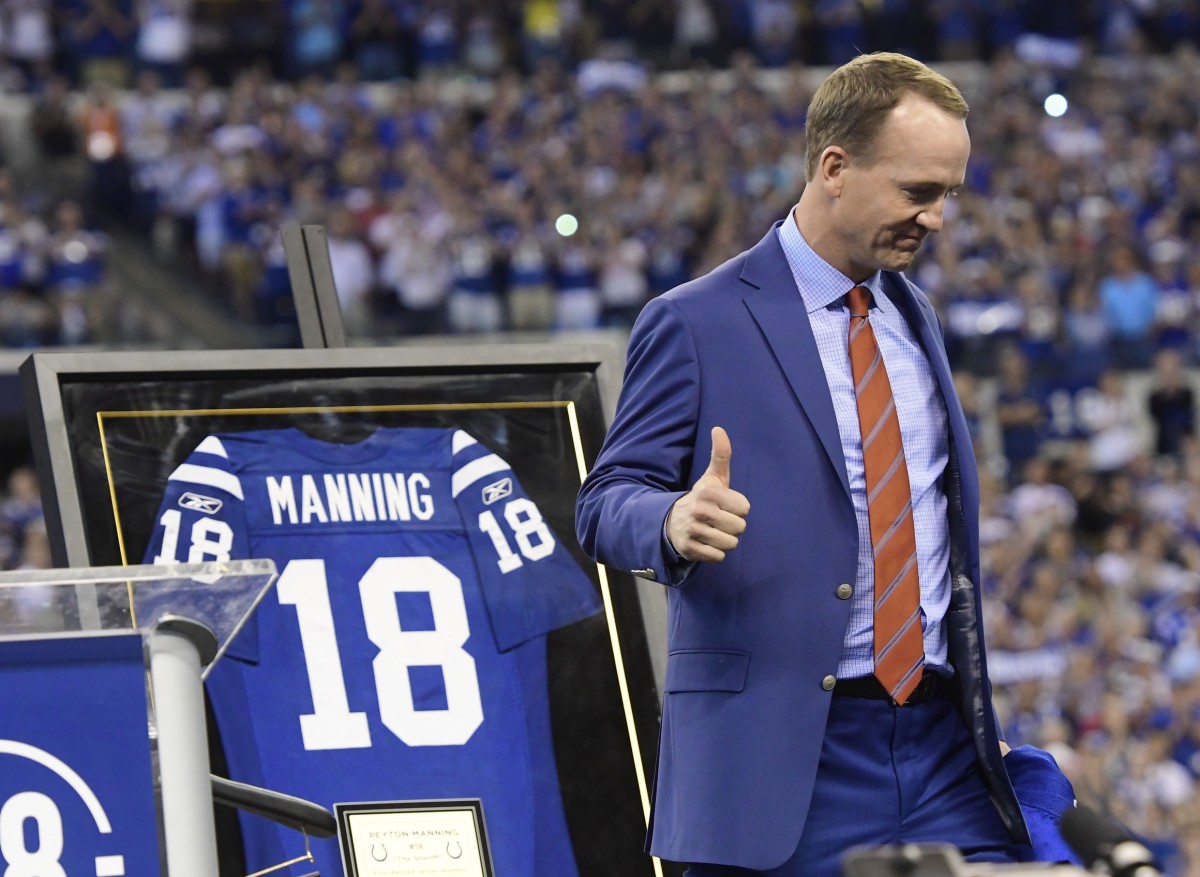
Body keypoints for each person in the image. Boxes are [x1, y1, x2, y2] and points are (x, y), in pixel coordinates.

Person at [576, 52, 1065, 876]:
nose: (938, 217)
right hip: (785, 762)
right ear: (834, 168)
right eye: (918, 192)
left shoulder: (917, 317)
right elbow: (602, 502)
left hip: (942, 748)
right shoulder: (695, 320)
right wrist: (670, 519)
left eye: (949, 193)